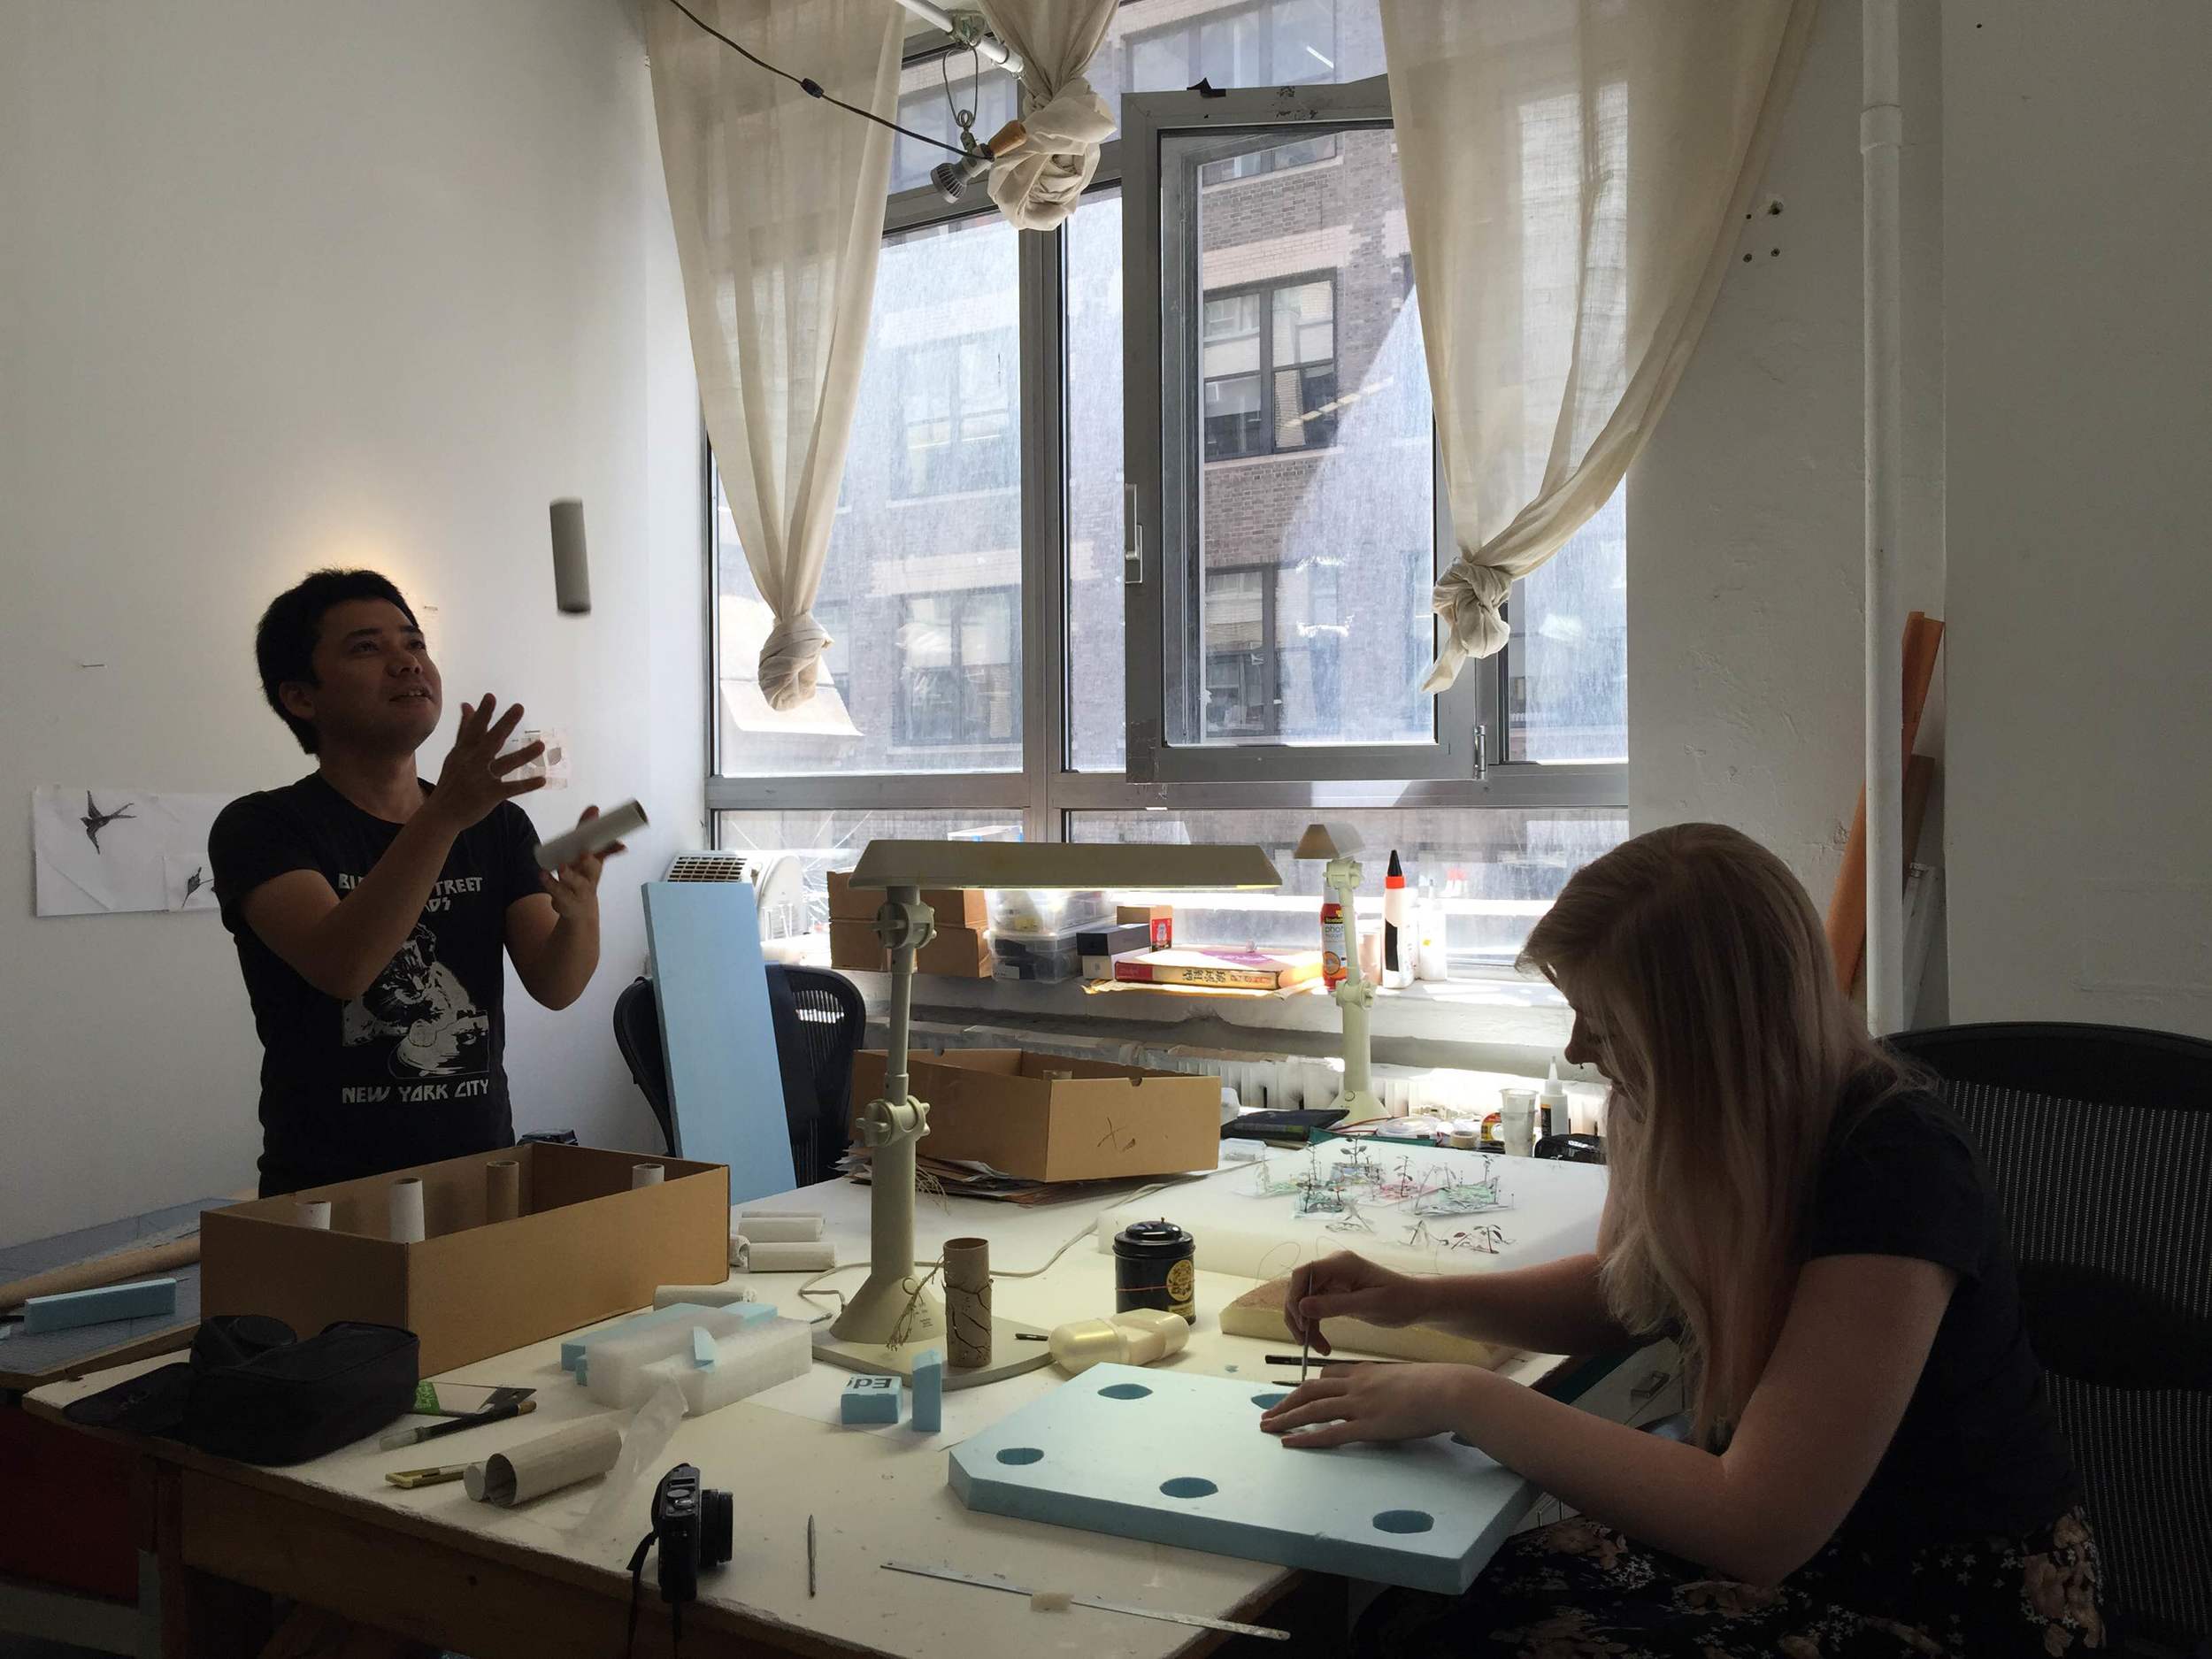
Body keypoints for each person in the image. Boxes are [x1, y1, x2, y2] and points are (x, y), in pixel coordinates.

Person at [1264, 824, 2101, 1658]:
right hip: (1806, 1564)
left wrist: (1463, 1397)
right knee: (1420, 1617)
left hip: (1943, 1602)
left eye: (1606, 1022)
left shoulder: (1895, 1160)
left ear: (1711, 1034)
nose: (1578, 1048)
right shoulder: (1682, 1115)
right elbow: (1628, 1291)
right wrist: (1419, 1298)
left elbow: (1757, 1523)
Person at [211, 569, 625, 1196]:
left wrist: (582, 911)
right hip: (327, 1195)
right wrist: (447, 814)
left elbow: (557, 983)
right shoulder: (263, 826)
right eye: (367, 648)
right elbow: (343, 964)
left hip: (478, 1179)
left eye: (415, 643)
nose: (406, 662)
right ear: (300, 696)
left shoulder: (497, 825)